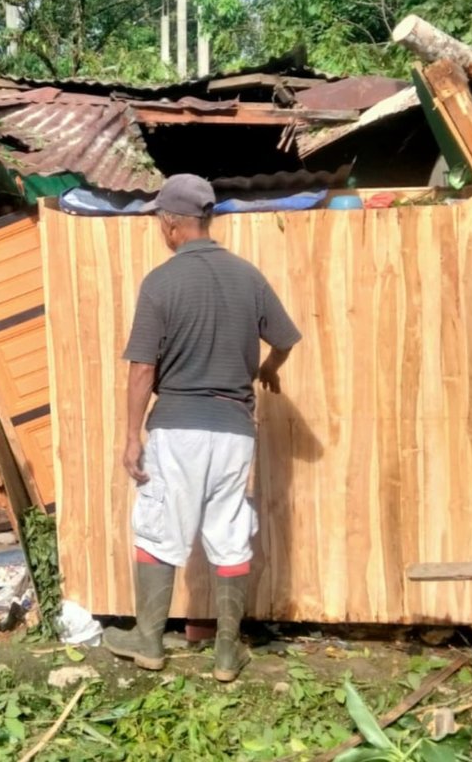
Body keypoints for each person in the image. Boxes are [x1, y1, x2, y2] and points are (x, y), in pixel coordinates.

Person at [101, 173, 300, 683]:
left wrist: (130, 437)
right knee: (230, 530)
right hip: (235, 429)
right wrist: (268, 369)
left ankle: (148, 640)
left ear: (170, 223)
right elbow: (284, 339)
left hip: (178, 428)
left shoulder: (162, 282)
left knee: (160, 527)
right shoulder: (248, 277)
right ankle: (228, 654)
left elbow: (142, 368)